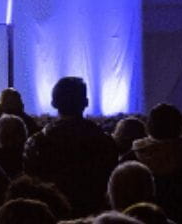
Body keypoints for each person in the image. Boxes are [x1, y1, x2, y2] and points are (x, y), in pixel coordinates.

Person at [22, 76, 118, 217]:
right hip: (92, 215)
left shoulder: (36, 143)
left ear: (54, 103)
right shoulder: (104, 141)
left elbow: (31, 187)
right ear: (86, 102)